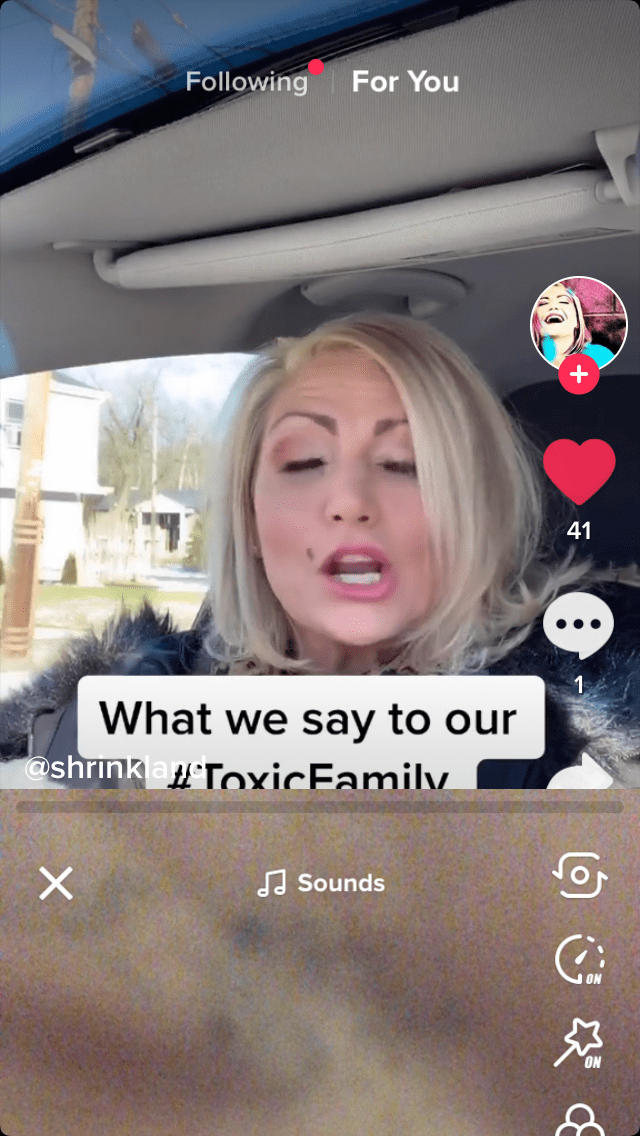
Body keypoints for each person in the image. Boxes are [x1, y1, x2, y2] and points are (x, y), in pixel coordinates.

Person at [1, 313, 638, 786]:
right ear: (250, 519)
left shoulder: (567, 742)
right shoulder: (118, 712)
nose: (350, 500)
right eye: (305, 461)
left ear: (476, 514)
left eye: (405, 463)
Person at [532, 281, 615, 368]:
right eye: (543, 303)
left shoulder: (600, 356)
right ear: (534, 320)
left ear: (577, 321)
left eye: (563, 301)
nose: (553, 307)